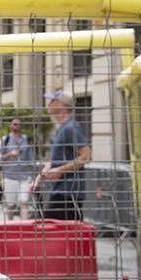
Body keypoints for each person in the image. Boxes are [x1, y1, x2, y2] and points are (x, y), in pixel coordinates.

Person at [31, 91, 91, 220]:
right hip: (60, 190)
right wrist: (39, 178)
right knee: (58, 232)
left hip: (70, 191)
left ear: (62, 105)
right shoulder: (60, 130)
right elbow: (52, 161)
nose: (49, 104)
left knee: (50, 229)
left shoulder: (71, 128)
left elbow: (85, 156)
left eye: (52, 101)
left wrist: (59, 170)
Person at [0, 117, 35, 219]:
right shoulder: (5, 140)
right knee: (10, 205)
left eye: (18, 124)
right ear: (10, 125)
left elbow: (31, 159)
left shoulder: (26, 139)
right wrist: (10, 154)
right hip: (9, 176)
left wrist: (34, 175)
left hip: (24, 176)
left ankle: (25, 228)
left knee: (24, 202)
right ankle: (11, 226)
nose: (16, 126)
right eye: (14, 124)